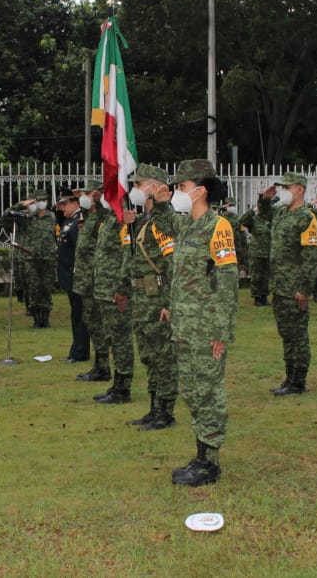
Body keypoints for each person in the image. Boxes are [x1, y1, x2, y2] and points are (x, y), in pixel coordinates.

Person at [157, 159, 238, 486]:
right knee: (192, 391)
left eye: (182, 187)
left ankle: (211, 462)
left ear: (200, 190)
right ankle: (201, 455)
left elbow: (228, 281)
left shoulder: (218, 226)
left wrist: (221, 332)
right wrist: (160, 198)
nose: (178, 192)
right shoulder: (186, 225)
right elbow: (163, 223)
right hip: (185, 327)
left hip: (206, 329)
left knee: (208, 391)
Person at [123, 164, 179, 430]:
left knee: (163, 357)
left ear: (155, 187)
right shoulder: (146, 220)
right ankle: (154, 408)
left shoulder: (162, 222)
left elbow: (172, 265)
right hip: (143, 300)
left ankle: (166, 412)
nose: (134, 189)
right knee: (149, 356)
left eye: (138, 184)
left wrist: (169, 304)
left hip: (158, 301)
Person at [265, 173, 317, 396]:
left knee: (298, 335)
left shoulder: (307, 218)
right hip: (279, 286)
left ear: (299, 189)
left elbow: (311, 257)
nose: (282, 191)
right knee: (286, 334)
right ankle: (289, 377)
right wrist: (265, 199)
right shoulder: (281, 213)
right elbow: (264, 215)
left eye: (286, 187)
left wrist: (304, 289)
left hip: (295, 288)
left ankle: (299, 381)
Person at [90, 192, 134, 404]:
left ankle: (123, 389)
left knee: (121, 341)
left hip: (115, 292)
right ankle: (117, 384)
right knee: (114, 340)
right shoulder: (109, 219)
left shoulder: (123, 222)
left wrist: (122, 289)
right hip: (104, 291)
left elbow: (127, 257)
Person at [73, 182, 112, 381]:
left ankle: (103, 368)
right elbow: (88, 213)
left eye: (88, 193)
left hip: (94, 280)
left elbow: (106, 215)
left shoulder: (103, 217)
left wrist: (98, 200)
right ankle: (99, 365)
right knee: (91, 323)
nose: (83, 196)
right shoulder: (90, 217)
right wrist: (84, 202)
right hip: (85, 281)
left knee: (97, 324)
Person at [1, 189, 57, 328]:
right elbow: (5, 216)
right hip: (31, 258)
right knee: (33, 288)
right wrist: (21, 204)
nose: (42, 203)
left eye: (44, 200)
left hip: (48, 257)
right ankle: (37, 318)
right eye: (38, 200)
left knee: (46, 288)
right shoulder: (25, 217)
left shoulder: (52, 217)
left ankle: (46, 317)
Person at [55, 189, 89, 362]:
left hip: (75, 275)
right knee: (76, 314)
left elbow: (80, 251)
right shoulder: (69, 221)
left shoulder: (79, 222)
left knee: (79, 315)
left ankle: (80, 352)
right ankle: (77, 349)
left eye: (65, 204)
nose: (62, 207)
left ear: (76, 203)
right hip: (68, 276)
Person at [238, 190, 274, 306]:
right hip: (256, 252)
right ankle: (257, 298)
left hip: (268, 251)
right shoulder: (253, 220)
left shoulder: (270, 219)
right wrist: (252, 211)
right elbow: (241, 220)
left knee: (266, 276)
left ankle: (264, 297)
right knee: (256, 276)